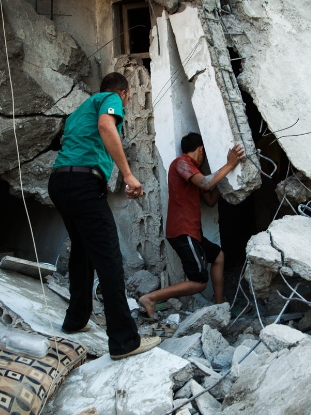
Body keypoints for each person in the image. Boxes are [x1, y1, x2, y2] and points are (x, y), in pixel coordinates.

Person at [48, 72, 161, 360]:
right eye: (128, 99)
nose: (125, 105)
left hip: (60, 182)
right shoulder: (111, 98)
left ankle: (76, 319)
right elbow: (105, 125)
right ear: (124, 93)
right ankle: (124, 341)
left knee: (82, 251)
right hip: (83, 183)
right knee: (109, 257)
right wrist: (128, 174)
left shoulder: (78, 112)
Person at [138, 133, 245, 318]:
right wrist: (230, 164)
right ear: (201, 149)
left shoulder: (195, 172)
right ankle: (150, 298)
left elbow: (210, 200)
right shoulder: (181, 163)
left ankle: (220, 304)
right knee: (199, 282)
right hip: (183, 231)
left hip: (192, 232)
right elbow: (205, 183)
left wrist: (228, 179)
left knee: (218, 256)